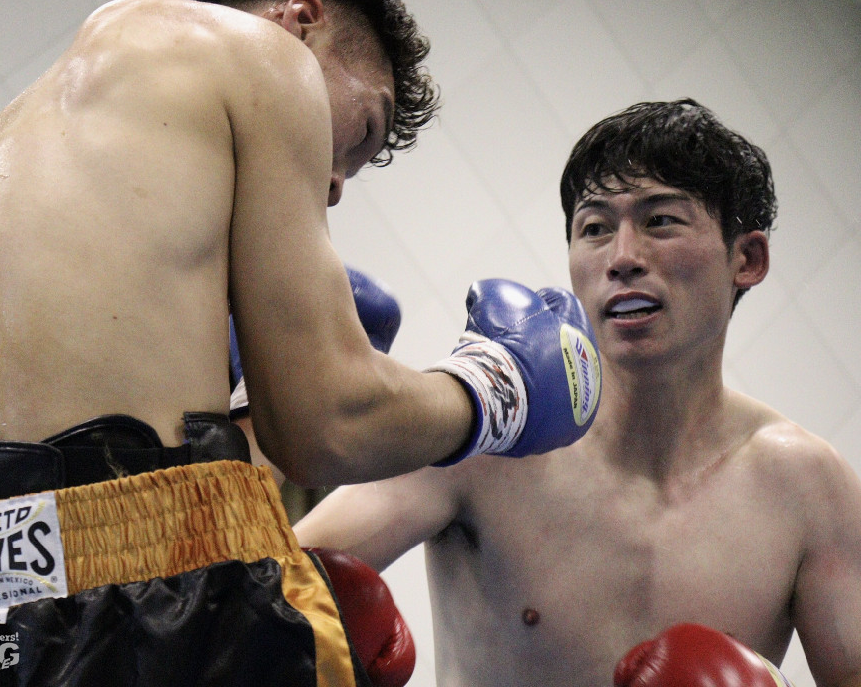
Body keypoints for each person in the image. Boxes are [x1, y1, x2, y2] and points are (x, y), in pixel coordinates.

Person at [0, 0, 600, 684]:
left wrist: (236, 410)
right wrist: (497, 388)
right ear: (302, 20)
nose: (336, 184)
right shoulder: (264, 56)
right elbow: (328, 425)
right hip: (137, 610)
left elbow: (52, 491)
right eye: (364, 130)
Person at [294, 99, 861, 687]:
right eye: (594, 228)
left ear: (747, 258)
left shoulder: (810, 488)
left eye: (660, 221)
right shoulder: (489, 428)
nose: (622, 259)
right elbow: (265, 589)